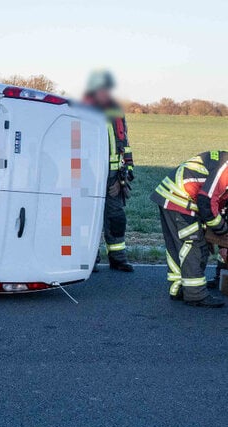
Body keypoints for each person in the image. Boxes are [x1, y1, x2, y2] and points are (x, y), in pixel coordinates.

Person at [151, 150, 228, 307]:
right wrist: (222, 231)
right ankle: (195, 294)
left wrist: (221, 241)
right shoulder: (226, 168)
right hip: (182, 199)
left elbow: (220, 207)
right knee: (194, 246)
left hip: (170, 194)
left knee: (177, 247)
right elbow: (206, 201)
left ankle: (178, 287)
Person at [83, 70, 135, 272]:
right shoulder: (82, 110)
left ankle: (118, 258)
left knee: (116, 217)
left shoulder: (115, 110)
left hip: (113, 176)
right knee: (88, 217)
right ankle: (89, 259)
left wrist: (126, 170)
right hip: (88, 175)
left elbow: (124, 142)